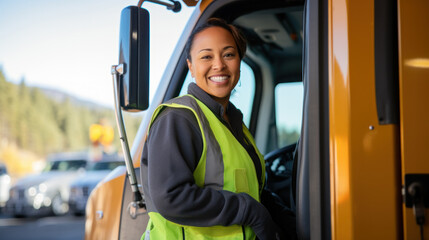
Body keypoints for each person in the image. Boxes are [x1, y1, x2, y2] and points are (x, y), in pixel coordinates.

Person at [140, 18, 285, 240]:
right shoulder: (178, 118)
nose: (219, 65)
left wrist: (281, 213)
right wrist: (250, 211)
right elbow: (172, 197)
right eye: (206, 56)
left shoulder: (232, 122)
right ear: (191, 66)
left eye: (228, 54)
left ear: (239, 61)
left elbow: (244, 184)